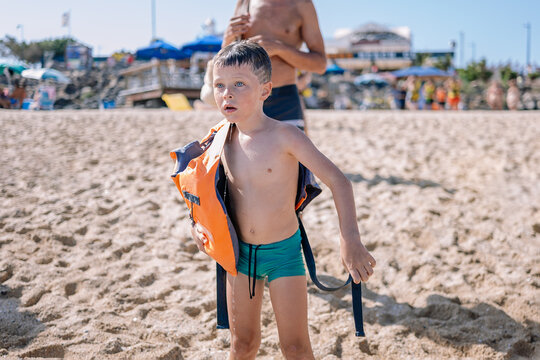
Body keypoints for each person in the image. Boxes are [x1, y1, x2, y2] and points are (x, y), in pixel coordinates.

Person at [191, 41, 376, 359]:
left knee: (295, 347)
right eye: (220, 85)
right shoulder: (219, 138)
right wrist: (197, 226)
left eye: (239, 84)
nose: (227, 94)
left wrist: (351, 240)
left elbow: (339, 182)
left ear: (265, 90)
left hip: (284, 254)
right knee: (243, 344)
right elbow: (199, 190)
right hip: (238, 256)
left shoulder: (286, 137)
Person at [222, 0, 327, 132]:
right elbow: (226, 59)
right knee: (242, 152)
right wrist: (227, 40)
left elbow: (320, 64)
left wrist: (279, 48)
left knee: (290, 152)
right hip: (244, 98)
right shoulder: (245, 2)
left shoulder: (302, 4)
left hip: (284, 99)